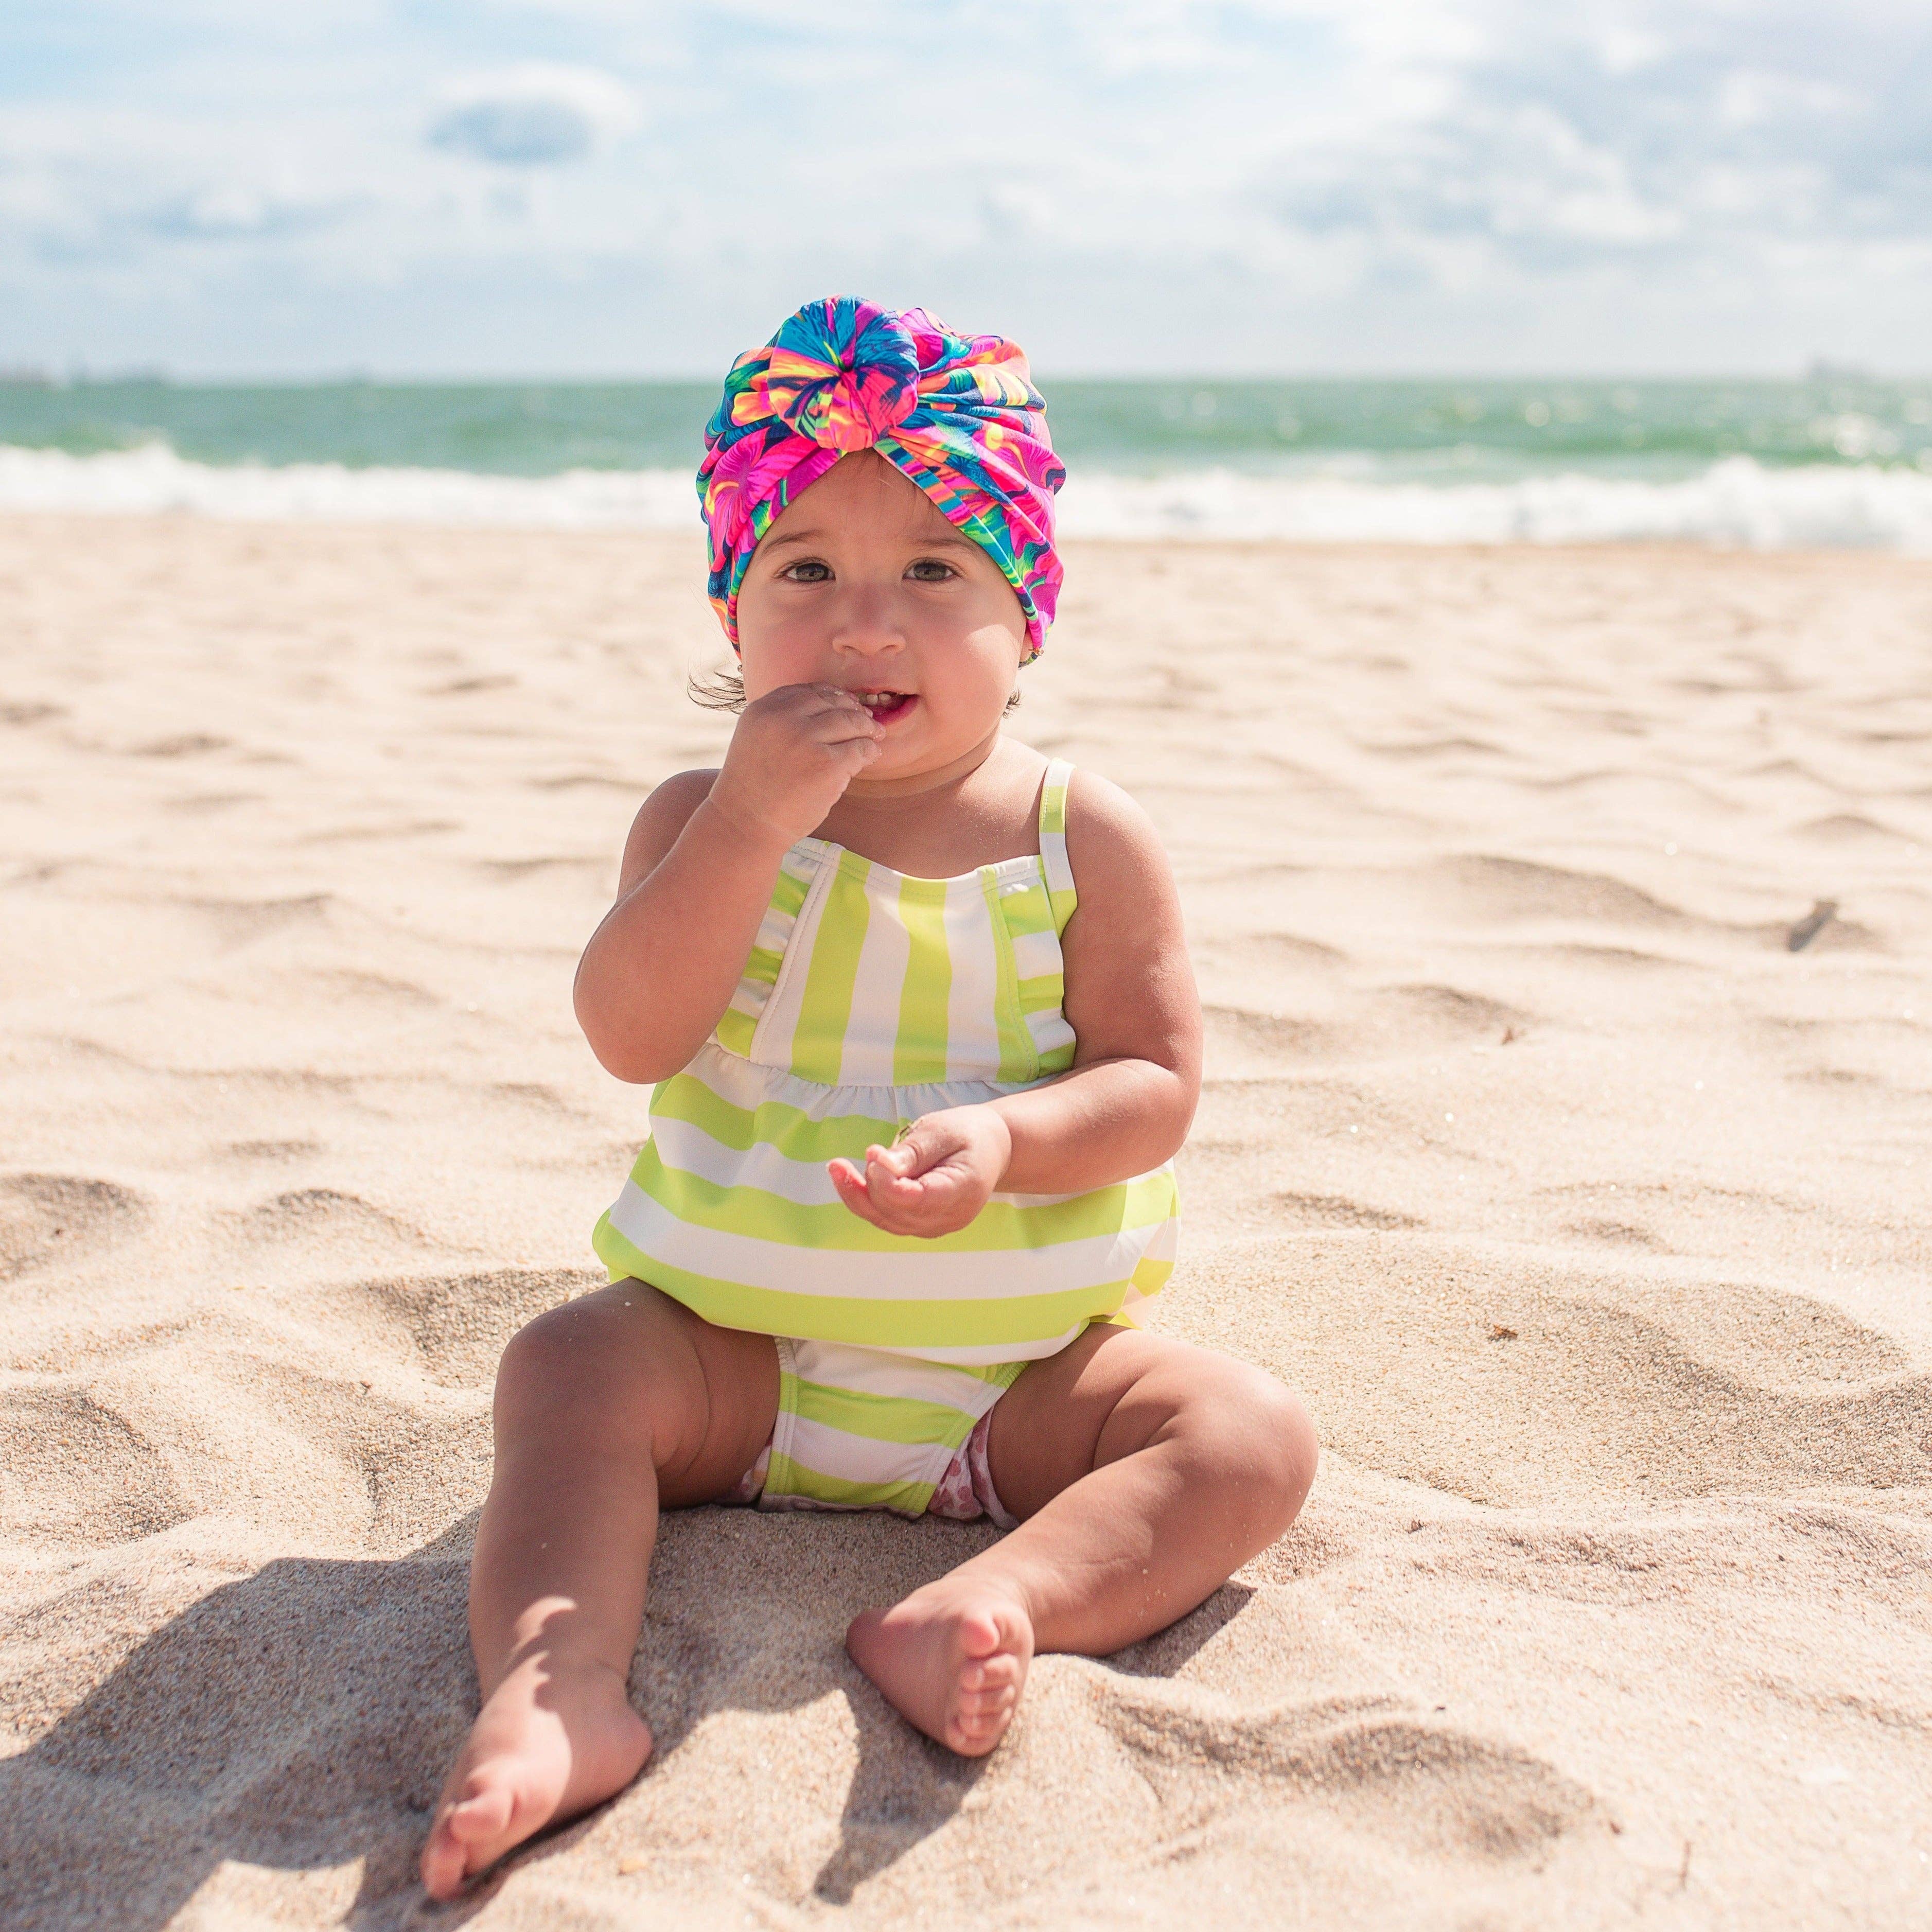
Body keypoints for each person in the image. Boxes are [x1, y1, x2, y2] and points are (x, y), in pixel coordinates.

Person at [420, 297, 1318, 1900]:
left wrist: (1011, 1139)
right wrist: (748, 827)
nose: (865, 623)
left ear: (1025, 610)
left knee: (1246, 1436)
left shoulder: (1078, 836)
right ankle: (559, 1694)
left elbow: (1153, 1082)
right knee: (564, 1365)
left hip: (1015, 1389)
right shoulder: (696, 818)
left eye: (933, 571)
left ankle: (993, 1599)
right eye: (804, 570)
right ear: (732, 607)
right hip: (732, 1363)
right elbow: (629, 1032)